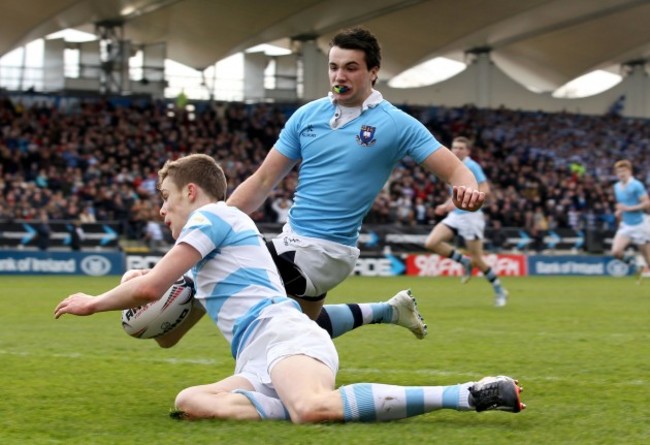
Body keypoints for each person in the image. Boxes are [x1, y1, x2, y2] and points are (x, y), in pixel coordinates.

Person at [54, 153, 525, 423]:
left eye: (165, 198)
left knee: (312, 409)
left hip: (287, 337)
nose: (161, 211)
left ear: (192, 193)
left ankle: (469, 392)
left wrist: (93, 302)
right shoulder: (203, 255)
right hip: (255, 360)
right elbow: (164, 334)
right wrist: (133, 284)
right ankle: (286, 400)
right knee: (190, 401)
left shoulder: (214, 217)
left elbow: (148, 291)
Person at [226, 27, 486, 338]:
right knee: (302, 333)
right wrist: (217, 220)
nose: (340, 76)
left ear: (373, 72)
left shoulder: (395, 124)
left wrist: (467, 189)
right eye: (334, 67)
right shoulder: (307, 116)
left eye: (351, 68)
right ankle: (388, 311)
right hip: (293, 240)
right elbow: (264, 179)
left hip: (327, 250)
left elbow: (457, 170)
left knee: (224, 275)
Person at [423, 136, 508, 307]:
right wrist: (446, 205)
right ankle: (464, 262)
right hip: (456, 216)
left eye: (461, 148)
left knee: (478, 258)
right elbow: (456, 193)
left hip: (471, 217)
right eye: (454, 147)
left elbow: (485, 188)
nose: (457, 150)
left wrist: (473, 200)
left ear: (468, 151)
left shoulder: (472, 165)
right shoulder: (453, 165)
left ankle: (499, 290)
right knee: (431, 243)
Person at [611, 159, 650, 282]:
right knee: (616, 252)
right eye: (618, 171)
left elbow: (647, 203)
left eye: (623, 171)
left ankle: (645, 266)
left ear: (629, 171)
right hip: (626, 225)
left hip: (640, 225)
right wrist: (620, 211)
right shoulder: (616, 186)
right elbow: (623, 204)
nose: (621, 173)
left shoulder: (636, 185)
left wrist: (629, 208)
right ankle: (633, 263)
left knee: (648, 259)